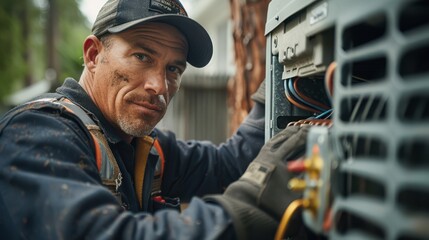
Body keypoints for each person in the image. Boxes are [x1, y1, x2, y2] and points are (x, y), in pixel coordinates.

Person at [0, 0, 309, 239]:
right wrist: (250, 210)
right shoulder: (36, 134)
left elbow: (227, 165)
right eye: (142, 57)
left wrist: (287, 82)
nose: (159, 86)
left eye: (173, 69)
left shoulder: (142, 148)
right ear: (94, 55)